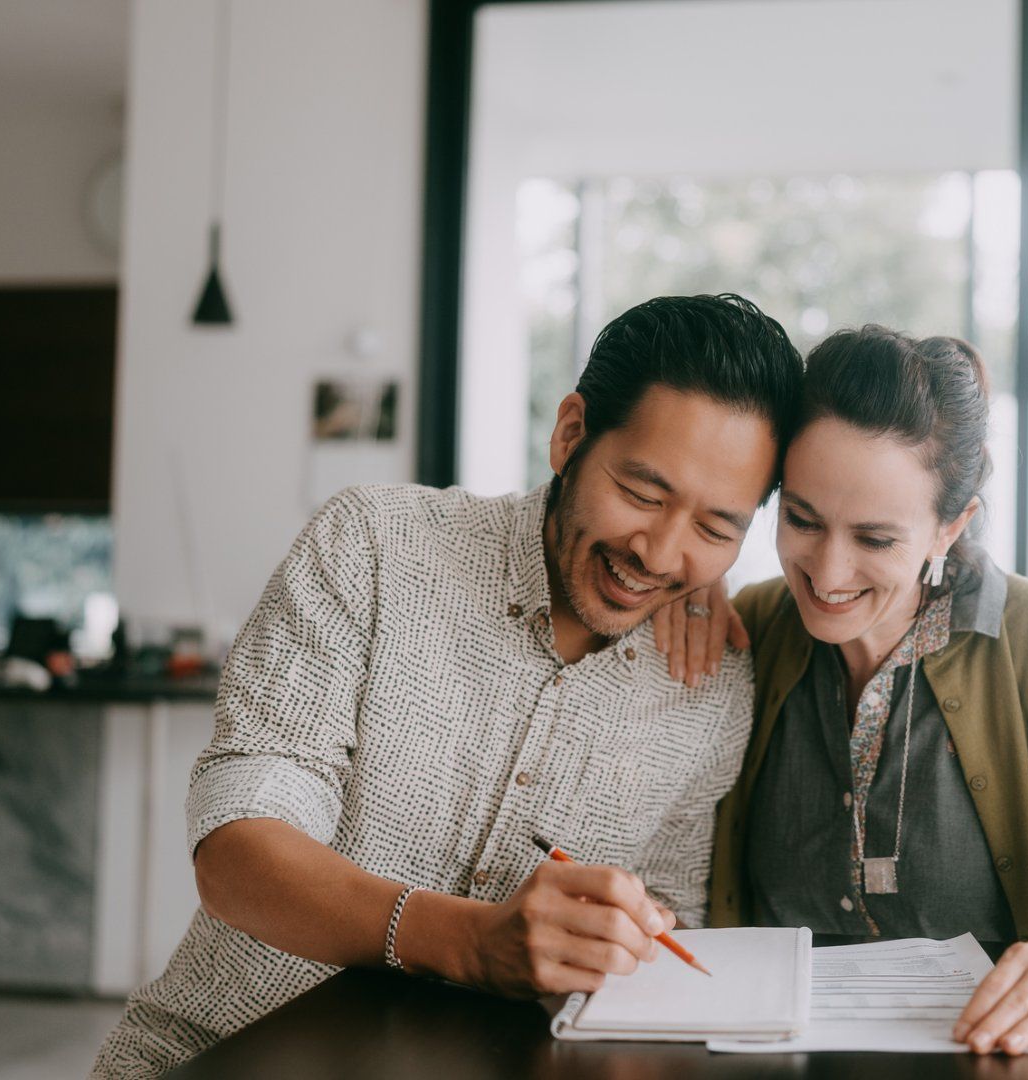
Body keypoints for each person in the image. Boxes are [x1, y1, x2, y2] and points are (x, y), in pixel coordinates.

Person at [91, 294, 803, 1077]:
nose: (662, 553)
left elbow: (667, 930)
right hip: (222, 1056)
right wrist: (467, 942)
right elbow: (236, 847)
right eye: (642, 494)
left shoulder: (710, 684)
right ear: (570, 433)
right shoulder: (372, 545)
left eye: (714, 528)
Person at [657, 325, 1028, 1057]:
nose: (827, 572)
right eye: (801, 519)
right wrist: (683, 582)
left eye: (875, 539)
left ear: (951, 526)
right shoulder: (751, 628)